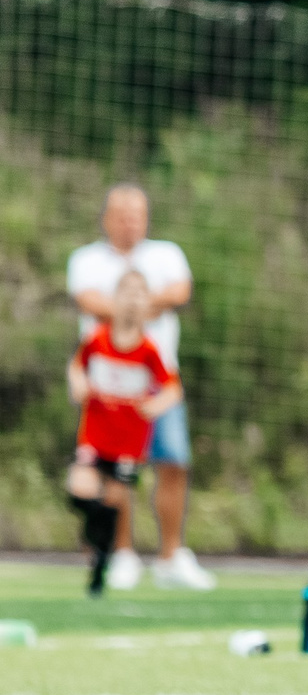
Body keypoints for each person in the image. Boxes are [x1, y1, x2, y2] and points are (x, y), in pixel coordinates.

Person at [66, 184, 210, 590]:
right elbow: (89, 302)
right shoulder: (87, 260)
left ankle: (171, 556)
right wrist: (137, 307)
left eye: (137, 215)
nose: (130, 223)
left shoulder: (166, 255)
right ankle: (121, 553)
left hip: (155, 388)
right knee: (113, 475)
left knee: (174, 460)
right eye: (123, 215)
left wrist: (132, 308)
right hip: (110, 393)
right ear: (107, 218)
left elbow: (179, 291)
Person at [65, 272, 185, 596]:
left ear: (147, 303)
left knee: (114, 502)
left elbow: (173, 389)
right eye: (126, 293)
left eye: (139, 294)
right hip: (95, 436)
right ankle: (95, 540)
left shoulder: (149, 349)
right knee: (79, 491)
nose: (132, 300)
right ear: (115, 299)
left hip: (128, 445)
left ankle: (101, 566)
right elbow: (77, 366)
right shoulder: (97, 339)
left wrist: (155, 404)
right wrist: (78, 384)